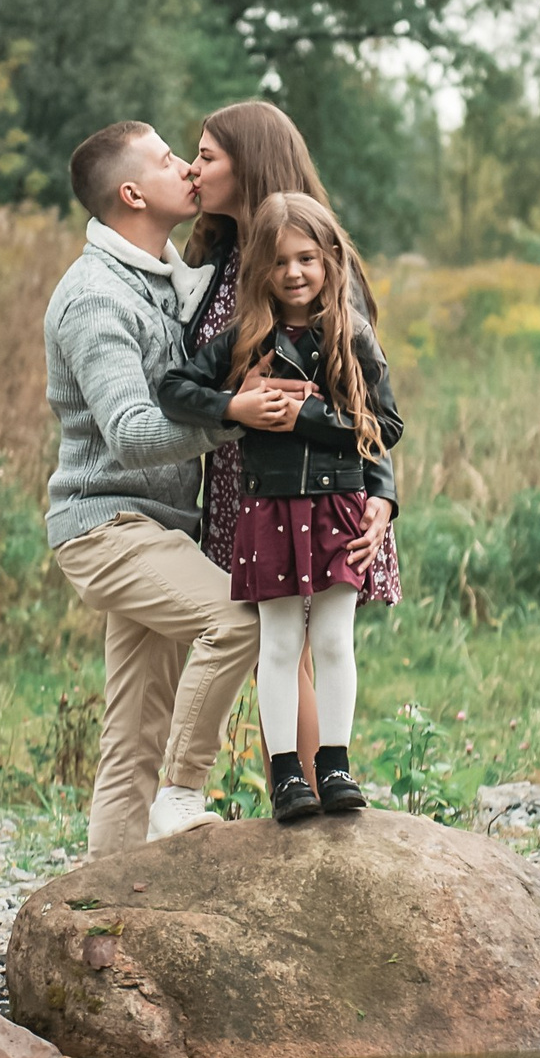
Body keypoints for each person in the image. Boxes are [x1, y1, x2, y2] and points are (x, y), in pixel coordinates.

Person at [41, 121, 311, 856]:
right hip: (108, 527)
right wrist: (233, 415)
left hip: (159, 528)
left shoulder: (160, 273)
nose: (188, 169)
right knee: (239, 621)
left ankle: (102, 905)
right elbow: (129, 429)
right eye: (169, 160)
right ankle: (184, 789)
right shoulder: (96, 296)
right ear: (132, 193)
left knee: (132, 735)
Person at [161, 194, 402, 821]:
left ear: (330, 260)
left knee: (331, 639)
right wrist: (232, 409)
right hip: (267, 509)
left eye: (307, 258)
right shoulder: (244, 336)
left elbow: (386, 424)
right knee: (276, 644)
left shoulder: (351, 334)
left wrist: (307, 417)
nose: (294, 272)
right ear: (260, 270)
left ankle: (336, 764)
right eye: (279, 261)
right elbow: (173, 388)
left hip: (337, 509)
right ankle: (287, 775)